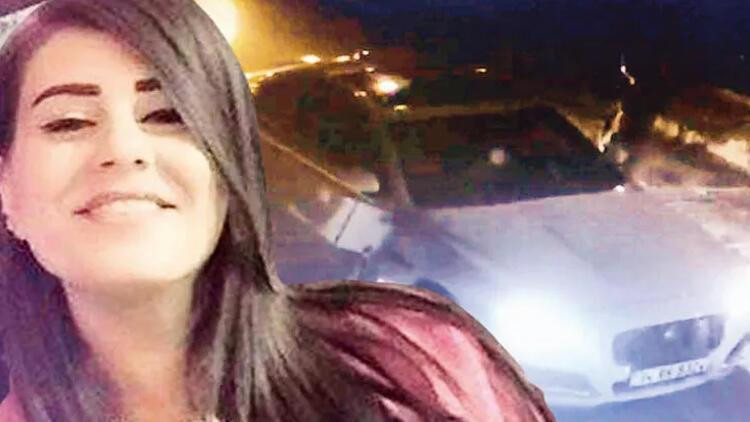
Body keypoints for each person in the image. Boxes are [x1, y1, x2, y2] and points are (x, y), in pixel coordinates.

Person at [0, 1, 555, 421]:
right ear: (6, 191)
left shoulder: (412, 367)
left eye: (169, 115)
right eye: (68, 122)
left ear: (229, 169)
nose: (125, 149)